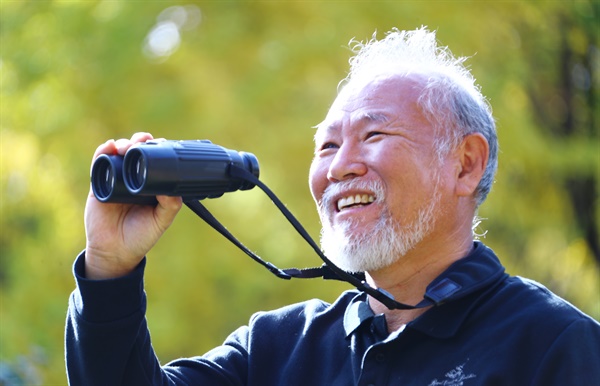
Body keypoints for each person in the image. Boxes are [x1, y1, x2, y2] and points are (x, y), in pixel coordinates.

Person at [65, 27, 600, 385]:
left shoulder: (554, 344)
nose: (340, 166)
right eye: (326, 145)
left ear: (464, 165)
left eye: (373, 135)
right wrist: (110, 268)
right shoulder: (276, 349)